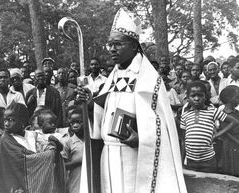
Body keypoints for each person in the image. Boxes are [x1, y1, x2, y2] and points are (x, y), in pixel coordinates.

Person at [78, 8, 186, 193]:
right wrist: (90, 104)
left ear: (135, 45)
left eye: (118, 44)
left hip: (134, 157)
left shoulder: (149, 80)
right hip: (107, 155)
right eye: (110, 44)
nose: (112, 48)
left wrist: (140, 140)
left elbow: (160, 126)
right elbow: (104, 112)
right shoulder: (113, 76)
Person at [0, 102, 65, 193]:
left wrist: (53, 145)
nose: (6, 123)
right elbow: (23, 159)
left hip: (39, 181)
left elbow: (57, 147)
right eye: (5, 120)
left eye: (10, 120)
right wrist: (49, 152)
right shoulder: (6, 140)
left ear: (23, 121)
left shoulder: (33, 135)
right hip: (18, 185)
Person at [181, 81, 239, 173]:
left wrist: (216, 135)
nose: (196, 98)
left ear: (205, 97)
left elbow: (234, 122)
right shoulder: (185, 115)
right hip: (191, 161)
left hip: (208, 161)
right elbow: (184, 140)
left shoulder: (212, 111)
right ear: (188, 98)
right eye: (193, 96)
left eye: (200, 95)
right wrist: (181, 161)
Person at [218, 85, 239, 176]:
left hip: (237, 142)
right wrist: (237, 142)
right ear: (228, 98)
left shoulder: (237, 113)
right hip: (229, 144)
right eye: (237, 97)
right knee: (232, 166)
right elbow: (225, 132)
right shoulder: (223, 114)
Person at [62, 107, 84, 193]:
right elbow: (62, 166)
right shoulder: (68, 142)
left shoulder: (92, 141)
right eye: (72, 123)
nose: (75, 125)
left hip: (91, 182)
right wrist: (77, 162)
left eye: (78, 122)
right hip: (75, 184)